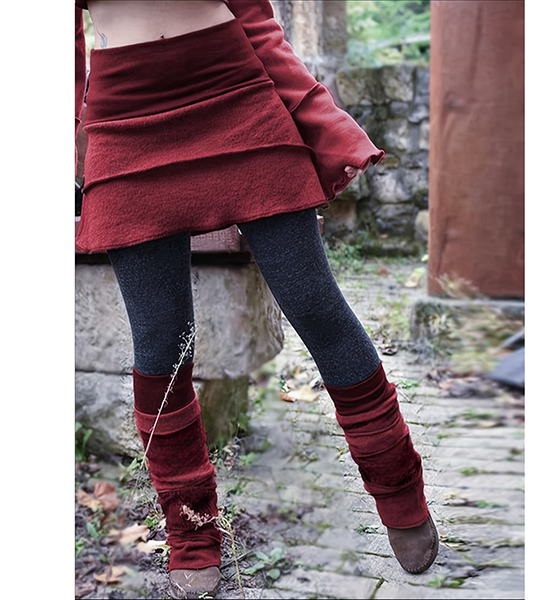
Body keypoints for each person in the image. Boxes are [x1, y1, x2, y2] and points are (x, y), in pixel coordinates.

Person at [75, 1, 438, 597]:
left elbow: (255, 17)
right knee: (162, 344)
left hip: (233, 92)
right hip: (124, 118)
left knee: (315, 307)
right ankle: (191, 530)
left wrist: (316, 114)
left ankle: (400, 491)